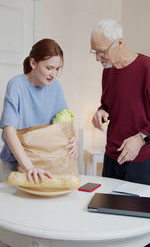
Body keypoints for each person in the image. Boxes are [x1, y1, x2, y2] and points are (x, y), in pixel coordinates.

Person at [0, 38, 78, 183]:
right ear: (33, 63)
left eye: (57, 69)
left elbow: (67, 120)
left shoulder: (55, 86)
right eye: (49, 68)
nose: (53, 74)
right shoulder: (16, 85)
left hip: (45, 164)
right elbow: (9, 131)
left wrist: (75, 138)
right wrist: (29, 168)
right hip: (15, 164)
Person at [91, 19, 150, 185]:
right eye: (94, 52)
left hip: (141, 162)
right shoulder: (107, 71)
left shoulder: (147, 68)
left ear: (120, 42)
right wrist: (101, 111)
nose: (97, 58)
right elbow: (108, 105)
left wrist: (140, 139)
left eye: (101, 51)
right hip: (111, 158)